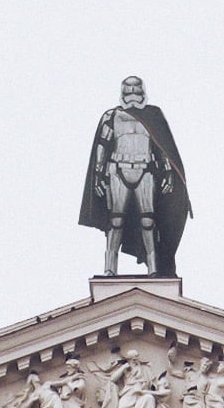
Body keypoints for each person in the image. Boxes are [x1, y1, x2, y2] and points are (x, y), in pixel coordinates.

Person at [80, 76, 191, 277]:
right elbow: (102, 146)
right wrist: (97, 175)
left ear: (142, 91)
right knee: (115, 221)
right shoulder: (112, 116)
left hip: (145, 169)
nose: (132, 93)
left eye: (135, 89)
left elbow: (162, 147)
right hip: (118, 169)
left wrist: (167, 172)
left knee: (148, 221)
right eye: (128, 90)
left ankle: (154, 269)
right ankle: (109, 269)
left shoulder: (154, 115)